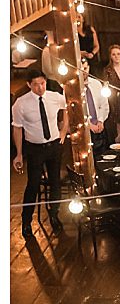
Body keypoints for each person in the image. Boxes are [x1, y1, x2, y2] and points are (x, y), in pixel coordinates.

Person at [12, 72, 68, 236]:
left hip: (54, 146)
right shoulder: (20, 104)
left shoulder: (54, 97)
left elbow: (67, 108)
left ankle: (54, 214)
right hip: (35, 148)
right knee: (33, 184)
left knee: (55, 182)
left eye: (43, 83)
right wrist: (19, 154)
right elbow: (17, 128)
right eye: (36, 84)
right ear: (29, 85)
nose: (40, 87)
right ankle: (26, 222)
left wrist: (63, 131)